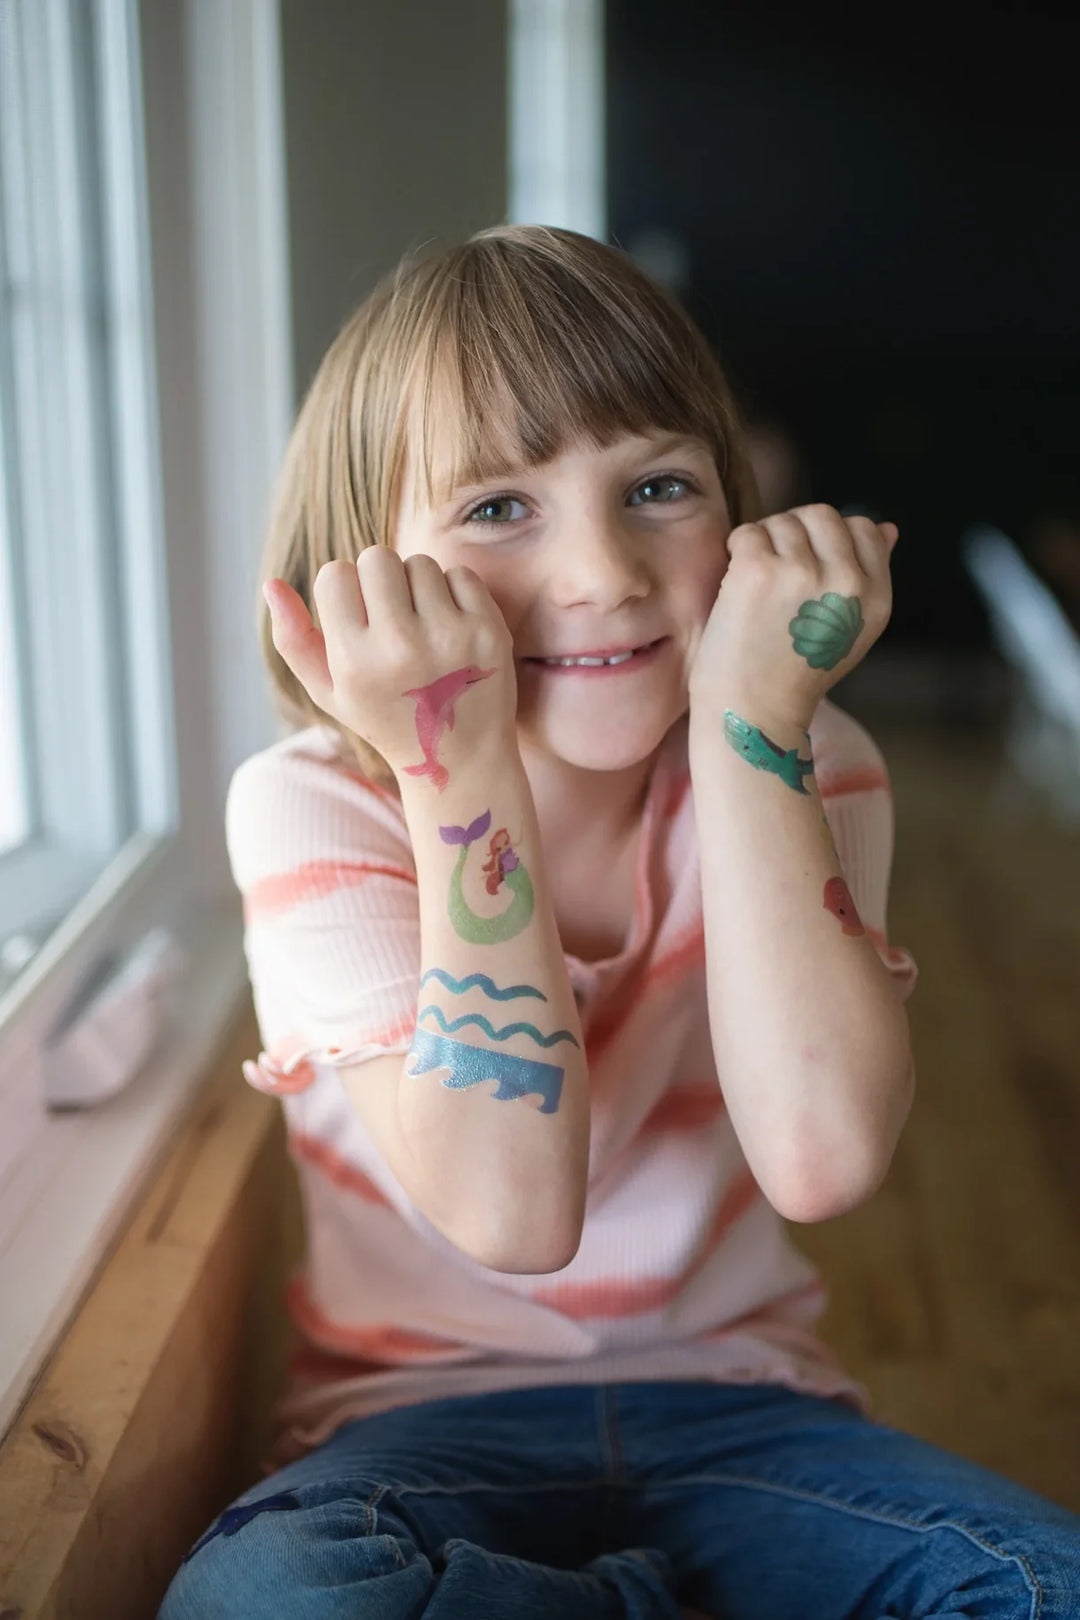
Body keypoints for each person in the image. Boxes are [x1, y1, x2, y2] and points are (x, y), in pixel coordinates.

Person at [158, 225, 1080, 1618]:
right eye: (497, 508)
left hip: (745, 1418)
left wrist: (752, 733)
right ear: (364, 575)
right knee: (268, 1598)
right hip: (416, 1436)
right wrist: (455, 767)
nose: (603, 571)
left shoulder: (804, 760)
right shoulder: (315, 803)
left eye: (658, 487)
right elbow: (512, 1213)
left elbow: (823, 1158)